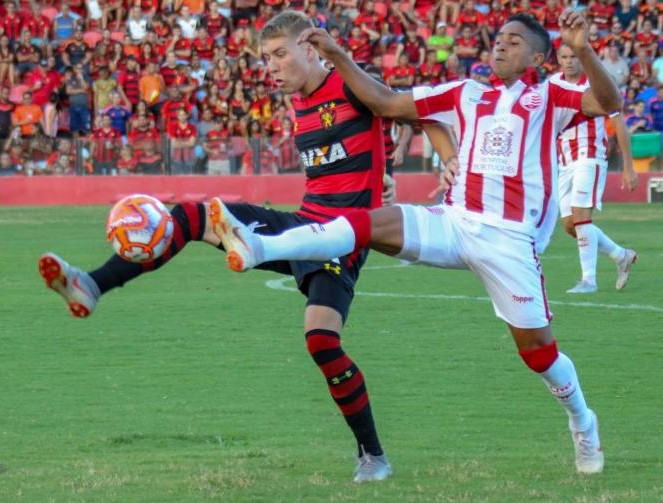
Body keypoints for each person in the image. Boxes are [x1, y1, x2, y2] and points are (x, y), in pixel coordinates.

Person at [37, 10, 455, 483]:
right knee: (193, 215)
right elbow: (381, 136)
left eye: (280, 55)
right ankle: (91, 284)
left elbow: (418, 111)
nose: (271, 67)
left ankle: (373, 456)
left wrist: (448, 159)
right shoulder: (298, 102)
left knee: (322, 341)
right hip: (304, 223)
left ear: (311, 50)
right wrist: (389, 159)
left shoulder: (352, 83)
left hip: (345, 237)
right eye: (266, 58)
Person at [210, 11, 623, 476]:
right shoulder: (466, 93)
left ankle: (583, 420)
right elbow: (386, 102)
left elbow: (607, 102)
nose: (501, 46)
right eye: (499, 39)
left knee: (539, 355)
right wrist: (337, 55)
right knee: (363, 223)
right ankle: (260, 247)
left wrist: (584, 50)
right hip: (454, 221)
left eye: (514, 41)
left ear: (539, 57)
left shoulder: (550, 96)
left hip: (509, 242)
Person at [552, 44, 639, 293]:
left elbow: (619, 123)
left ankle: (588, 280)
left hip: (589, 156)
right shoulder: (554, 84)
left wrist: (628, 167)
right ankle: (620, 255)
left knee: (581, 216)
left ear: (581, 59)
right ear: (558, 59)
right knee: (570, 224)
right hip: (564, 160)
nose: (569, 62)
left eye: (573, 57)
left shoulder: (595, 85)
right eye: (564, 57)